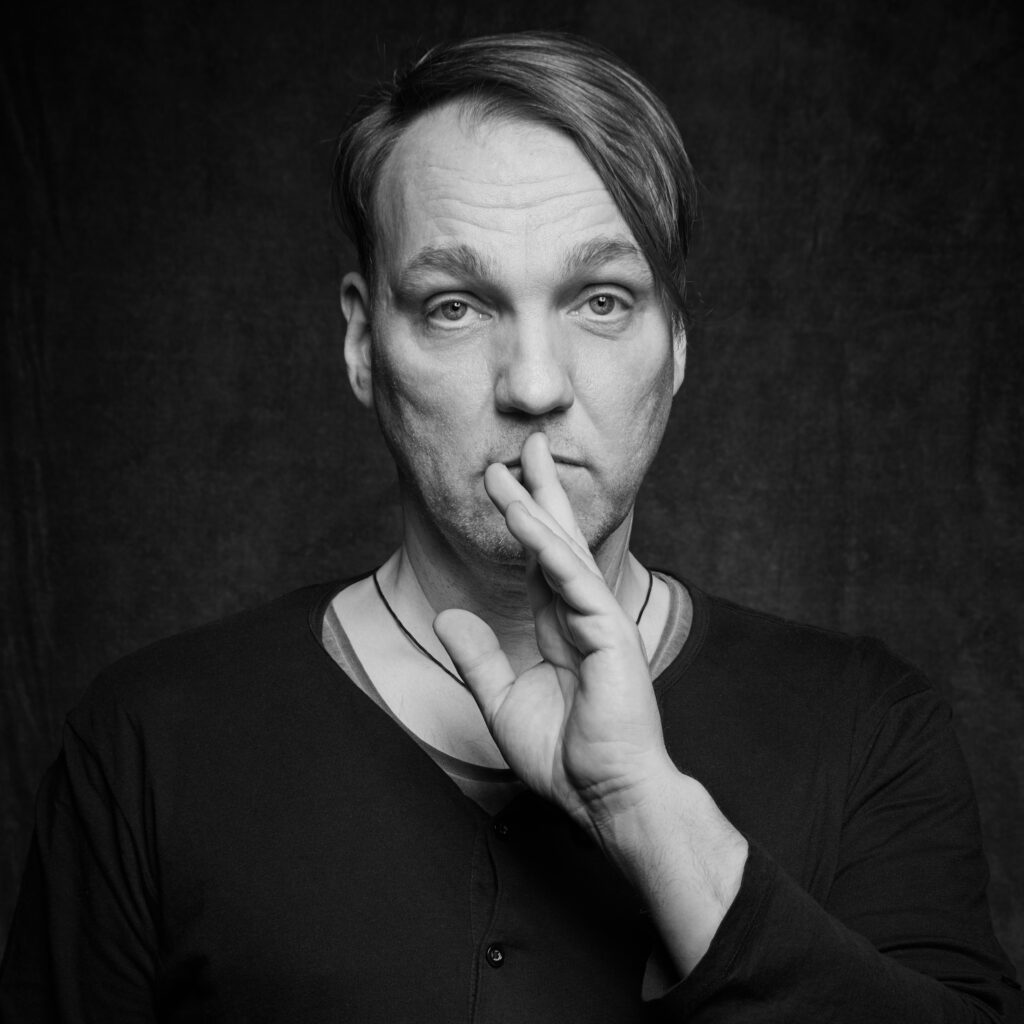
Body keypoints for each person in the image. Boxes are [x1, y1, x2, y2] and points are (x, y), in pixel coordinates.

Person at [1, 30, 1020, 1024]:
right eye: (455, 306)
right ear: (362, 343)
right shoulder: (148, 745)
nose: (534, 385)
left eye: (602, 301)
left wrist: (643, 808)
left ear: (676, 341)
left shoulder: (869, 729)